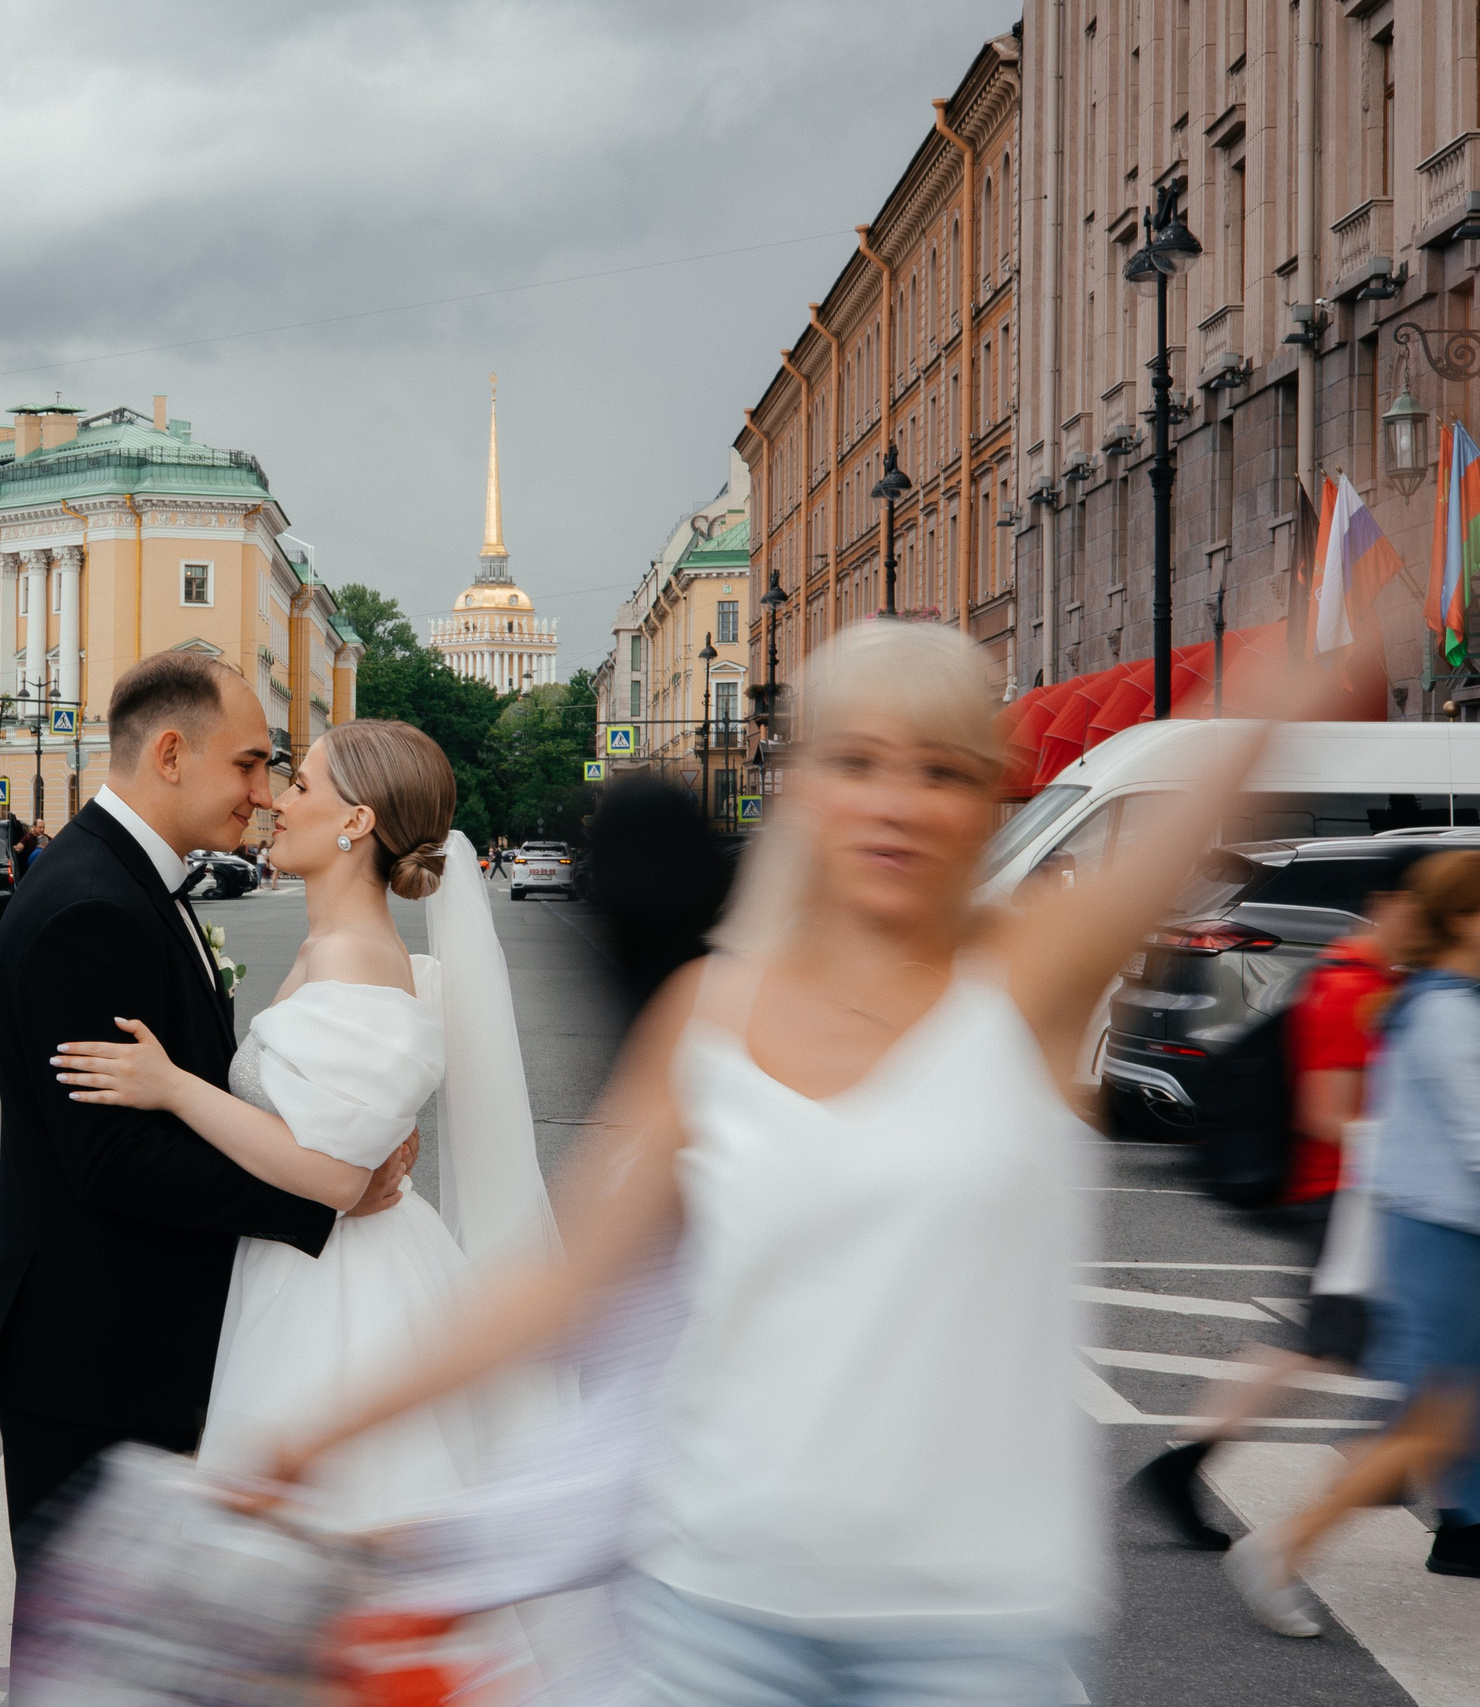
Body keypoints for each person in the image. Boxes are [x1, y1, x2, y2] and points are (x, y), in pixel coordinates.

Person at [257, 620, 1323, 1706]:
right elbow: (562, 1285)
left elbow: (1200, 802)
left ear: (990, 797)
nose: (895, 803)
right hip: (715, 1611)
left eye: (941, 772)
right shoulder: (708, 1016)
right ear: (799, 785)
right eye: (854, 762)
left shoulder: (1028, 981)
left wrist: (1323, 647)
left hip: (965, 1634)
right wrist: (329, 1430)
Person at [0, 652, 414, 1560]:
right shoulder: (88, 907)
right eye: (250, 763)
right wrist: (323, 1194)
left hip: (138, 1343)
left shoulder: (128, 883)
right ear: (171, 753)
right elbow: (111, 1156)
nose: (264, 791)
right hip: (96, 1350)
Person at [54, 720, 553, 1527]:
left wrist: (174, 1088)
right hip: (318, 1266)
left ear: (356, 822)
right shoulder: (337, 943)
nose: (277, 802)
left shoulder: (349, 955)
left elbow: (334, 1178)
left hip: (338, 1293)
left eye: (303, 785)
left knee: (326, 1533)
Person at [1225, 850, 1480, 1634]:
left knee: (1443, 1413)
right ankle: (1283, 1547)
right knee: (1431, 1419)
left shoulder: (1432, 1000)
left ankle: (1457, 1528)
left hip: (1435, 1230)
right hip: (1446, 1238)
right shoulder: (1445, 1012)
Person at [1130, 886, 1418, 1551]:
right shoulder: (1352, 989)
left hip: (1354, 1197)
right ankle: (1386, 1479)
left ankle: (1187, 1464)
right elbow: (1327, 1113)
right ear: (1390, 906)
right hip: (1345, 1197)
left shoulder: (1367, 979)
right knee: (1349, 1342)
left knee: (1326, 1341)